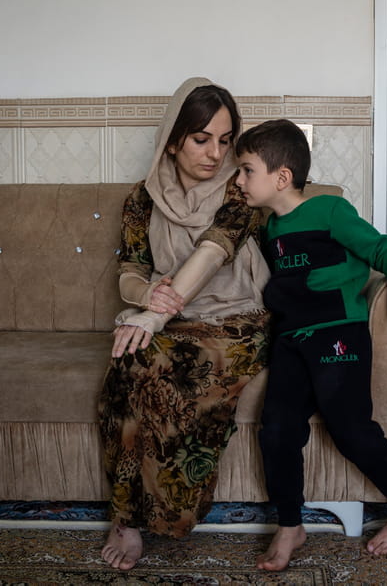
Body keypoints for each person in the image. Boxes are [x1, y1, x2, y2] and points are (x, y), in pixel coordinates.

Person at [234, 119, 387, 571]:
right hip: (290, 341)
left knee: (349, 427)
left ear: (281, 177)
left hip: (338, 332)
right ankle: (290, 525)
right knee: (277, 431)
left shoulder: (330, 211)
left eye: (246, 170)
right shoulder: (268, 231)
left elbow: (381, 247)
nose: (239, 180)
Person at [98, 77, 271, 570]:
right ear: (173, 140)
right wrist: (147, 295)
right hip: (172, 316)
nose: (216, 153)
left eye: (225, 139)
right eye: (201, 139)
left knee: (168, 373)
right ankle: (126, 520)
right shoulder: (143, 197)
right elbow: (130, 270)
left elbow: (214, 250)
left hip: (234, 322)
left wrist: (154, 314)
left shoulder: (241, 190)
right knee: (125, 365)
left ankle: (168, 517)